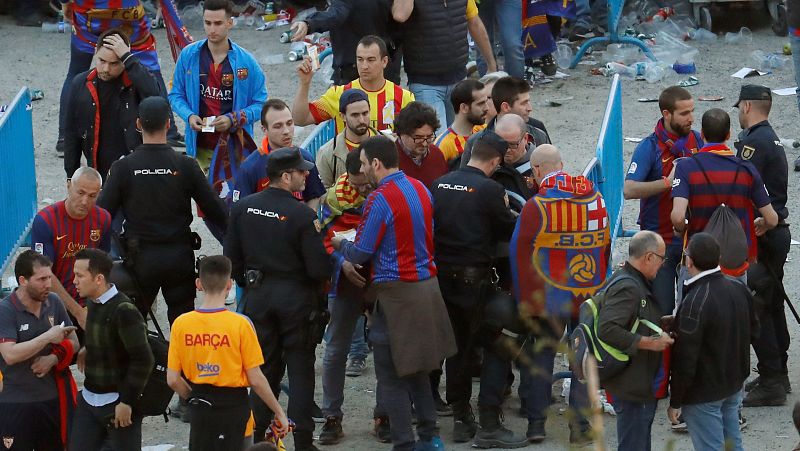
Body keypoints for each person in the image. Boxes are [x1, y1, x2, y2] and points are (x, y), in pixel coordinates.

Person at [332, 136, 457, 451]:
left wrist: (339, 245)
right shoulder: (420, 188)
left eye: (362, 165)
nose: (361, 171)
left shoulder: (379, 199)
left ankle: (404, 444)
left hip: (396, 296)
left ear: (375, 163)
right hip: (428, 289)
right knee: (418, 370)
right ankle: (430, 438)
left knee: (391, 377)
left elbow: (361, 252)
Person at [224, 147, 332, 450]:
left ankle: (259, 439)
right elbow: (318, 268)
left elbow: (231, 259)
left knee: (263, 370)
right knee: (300, 372)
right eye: (301, 171)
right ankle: (303, 441)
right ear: (286, 177)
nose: (306, 174)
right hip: (296, 301)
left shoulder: (244, 208)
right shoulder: (302, 215)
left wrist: (255, 280)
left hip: (259, 298)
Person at [511, 144, 611, 446]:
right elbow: (605, 245)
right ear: (563, 165)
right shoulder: (595, 199)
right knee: (583, 360)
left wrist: (524, 300)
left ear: (537, 170)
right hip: (587, 293)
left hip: (548, 296)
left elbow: (519, 254)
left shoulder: (535, 206)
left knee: (540, 358)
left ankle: (536, 425)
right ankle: (580, 427)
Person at [430, 132, 525, 446]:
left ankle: (460, 417)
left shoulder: (440, 183)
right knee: (492, 344)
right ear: (496, 161)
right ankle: (487, 418)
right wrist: (510, 209)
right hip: (475, 281)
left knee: (453, 346)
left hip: (441, 278)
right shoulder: (490, 189)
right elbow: (510, 230)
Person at [98, 96, 228, 325]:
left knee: (136, 325)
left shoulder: (124, 167)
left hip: (139, 259)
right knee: (183, 325)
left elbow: (101, 215)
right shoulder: (186, 165)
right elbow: (216, 209)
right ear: (169, 124)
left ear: (138, 124)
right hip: (178, 257)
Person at [166, 255, 290, 451]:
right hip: (235, 408)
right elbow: (256, 378)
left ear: (199, 284)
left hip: (201, 407)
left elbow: (173, 379)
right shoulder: (240, 324)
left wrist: (192, 398)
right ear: (230, 284)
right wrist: (279, 412)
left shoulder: (181, 324)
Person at [56, 0, 184, 159]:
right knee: (151, 69)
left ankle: (64, 138)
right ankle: (167, 131)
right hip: (128, 12)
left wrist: (65, 4)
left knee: (76, 71)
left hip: (88, 12)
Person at [316, 151, 384, 445]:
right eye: (356, 186)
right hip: (344, 283)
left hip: (380, 281)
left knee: (385, 351)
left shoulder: (385, 195)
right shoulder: (333, 200)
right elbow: (322, 241)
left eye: (366, 185)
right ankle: (332, 417)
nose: (362, 192)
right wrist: (341, 263)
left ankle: (385, 415)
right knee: (334, 351)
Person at [733, 85, 792, 407]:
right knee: (771, 304)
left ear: (746, 107)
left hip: (764, 233)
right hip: (774, 231)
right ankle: (776, 372)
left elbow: (743, 185)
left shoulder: (754, 143)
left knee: (756, 308)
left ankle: (772, 379)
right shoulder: (769, 138)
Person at [671, 108, 779, 286]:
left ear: (702, 134)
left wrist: (680, 228)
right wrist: (763, 224)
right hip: (733, 264)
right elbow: (772, 218)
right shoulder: (746, 169)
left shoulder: (686, 167)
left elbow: (677, 216)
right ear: (728, 134)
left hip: (697, 263)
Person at [668, 233, 754, 451]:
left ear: (689, 261)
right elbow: (754, 330)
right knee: (732, 445)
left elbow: (685, 359)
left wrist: (675, 401)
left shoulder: (694, 301)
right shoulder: (737, 287)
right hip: (733, 383)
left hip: (703, 393)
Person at [624, 86, 702, 314]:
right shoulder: (648, 148)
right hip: (661, 245)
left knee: (694, 311)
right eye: (684, 113)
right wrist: (667, 183)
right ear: (666, 114)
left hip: (692, 243)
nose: (691, 118)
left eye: (692, 111)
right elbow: (628, 190)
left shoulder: (697, 139)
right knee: (663, 313)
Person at [594, 231, 673, 450]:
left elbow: (632, 318)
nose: (662, 264)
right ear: (648, 257)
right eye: (661, 258)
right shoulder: (628, 287)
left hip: (635, 382)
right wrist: (649, 343)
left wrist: (660, 322)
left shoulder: (630, 278)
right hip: (630, 385)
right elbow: (607, 328)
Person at [69, 248, 154, 451]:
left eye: (79, 275)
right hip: (89, 400)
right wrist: (89, 347)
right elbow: (108, 336)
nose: (74, 281)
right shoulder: (93, 302)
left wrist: (127, 402)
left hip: (117, 405)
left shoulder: (124, 311)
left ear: (98, 279)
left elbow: (144, 360)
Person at [168, 0, 267, 173]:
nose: (212, 29)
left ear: (230, 22)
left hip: (236, 148)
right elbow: (176, 95)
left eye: (218, 23)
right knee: (204, 200)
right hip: (200, 147)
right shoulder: (188, 56)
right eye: (208, 23)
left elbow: (261, 105)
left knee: (235, 199)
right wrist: (189, 115)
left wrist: (233, 119)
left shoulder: (247, 62)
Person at [0, 251, 79, 451]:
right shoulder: (6, 311)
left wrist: (53, 358)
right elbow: (10, 355)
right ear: (23, 280)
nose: (48, 284)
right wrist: (48, 337)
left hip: (52, 401)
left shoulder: (54, 301)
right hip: (15, 404)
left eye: (49, 278)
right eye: (41, 279)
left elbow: (74, 340)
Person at [63, 29, 161, 180]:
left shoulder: (136, 83)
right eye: (102, 61)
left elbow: (154, 92)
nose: (106, 69)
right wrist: (71, 175)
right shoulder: (81, 84)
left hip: (134, 171)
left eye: (114, 63)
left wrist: (129, 57)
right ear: (95, 52)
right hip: (98, 171)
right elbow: (71, 133)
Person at [392, 0, 497, 135]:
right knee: (437, 142)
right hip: (425, 83)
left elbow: (475, 23)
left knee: (462, 139)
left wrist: (491, 64)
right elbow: (400, 15)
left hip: (458, 79)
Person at [31, 167, 112, 332]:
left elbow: (103, 267)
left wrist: (96, 305)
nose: (84, 201)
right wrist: (78, 312)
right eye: (80, 193)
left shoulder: (103, 218)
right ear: (69, 185)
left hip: (88, 302)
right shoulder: (45, 220)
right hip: (52, 302)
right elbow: (44, 274)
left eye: (92, 196)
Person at [293, 35, 414, 134]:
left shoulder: (404, 97)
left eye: (371, 60)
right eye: (360, 59)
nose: (364, 66)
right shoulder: (339, 94)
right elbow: (300, 119)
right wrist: (305, 83)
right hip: (349, 163)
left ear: (384, 61)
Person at [231, 99, 326, 210]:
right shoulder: (250, 167)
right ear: (264, 129)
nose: (286, 131)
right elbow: (239, 210)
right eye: (278, 126)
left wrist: (308, 222)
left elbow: (313, 196)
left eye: (289, 123)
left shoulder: (306, 158)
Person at [289, 0, 402, 84]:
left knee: (353, 113)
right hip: (385, 66)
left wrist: (309, 24)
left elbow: (335, 15)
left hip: (355, 69)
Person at [460, 76, 550, 167]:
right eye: (524, 103)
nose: (530, 108)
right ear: (505, 107)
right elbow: (466, 178)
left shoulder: (539, 135)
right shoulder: (475, 142)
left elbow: (552, 173)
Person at [315, 89, 378, 188]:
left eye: (365, 113)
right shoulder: (327, 153)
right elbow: (321, 193)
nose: (361, 120)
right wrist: (341, 195)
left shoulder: (389, 143)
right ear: (342, 116)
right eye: (355, 115)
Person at [394, 101, 449, 188]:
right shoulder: (390, 159)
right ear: (402, 134)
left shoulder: (437, 155)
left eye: (429, 137)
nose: (424, 143)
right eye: (418, 138)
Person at [434, 79, 489, 163]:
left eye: (486, 101)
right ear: (463, 108)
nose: (486, 108)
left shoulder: (485, 130)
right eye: (481, 103)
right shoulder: (443, 145)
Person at [476, 0, 525, 78]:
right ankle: (489, 87)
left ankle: (516, 87)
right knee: (483, 47)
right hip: (479, 3)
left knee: (512, 45)